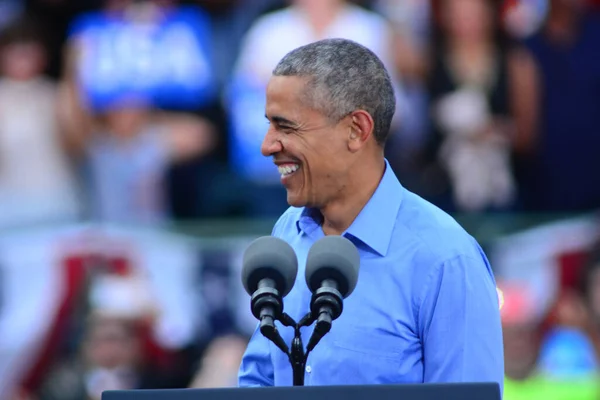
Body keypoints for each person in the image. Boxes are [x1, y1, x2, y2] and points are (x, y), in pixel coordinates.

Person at [237, 38, 504, 390]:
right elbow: (260, 380)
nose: (267, 145)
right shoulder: (286, 234)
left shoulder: (446, 259)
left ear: (356, 130)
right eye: (270, 125)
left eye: (285, 127)